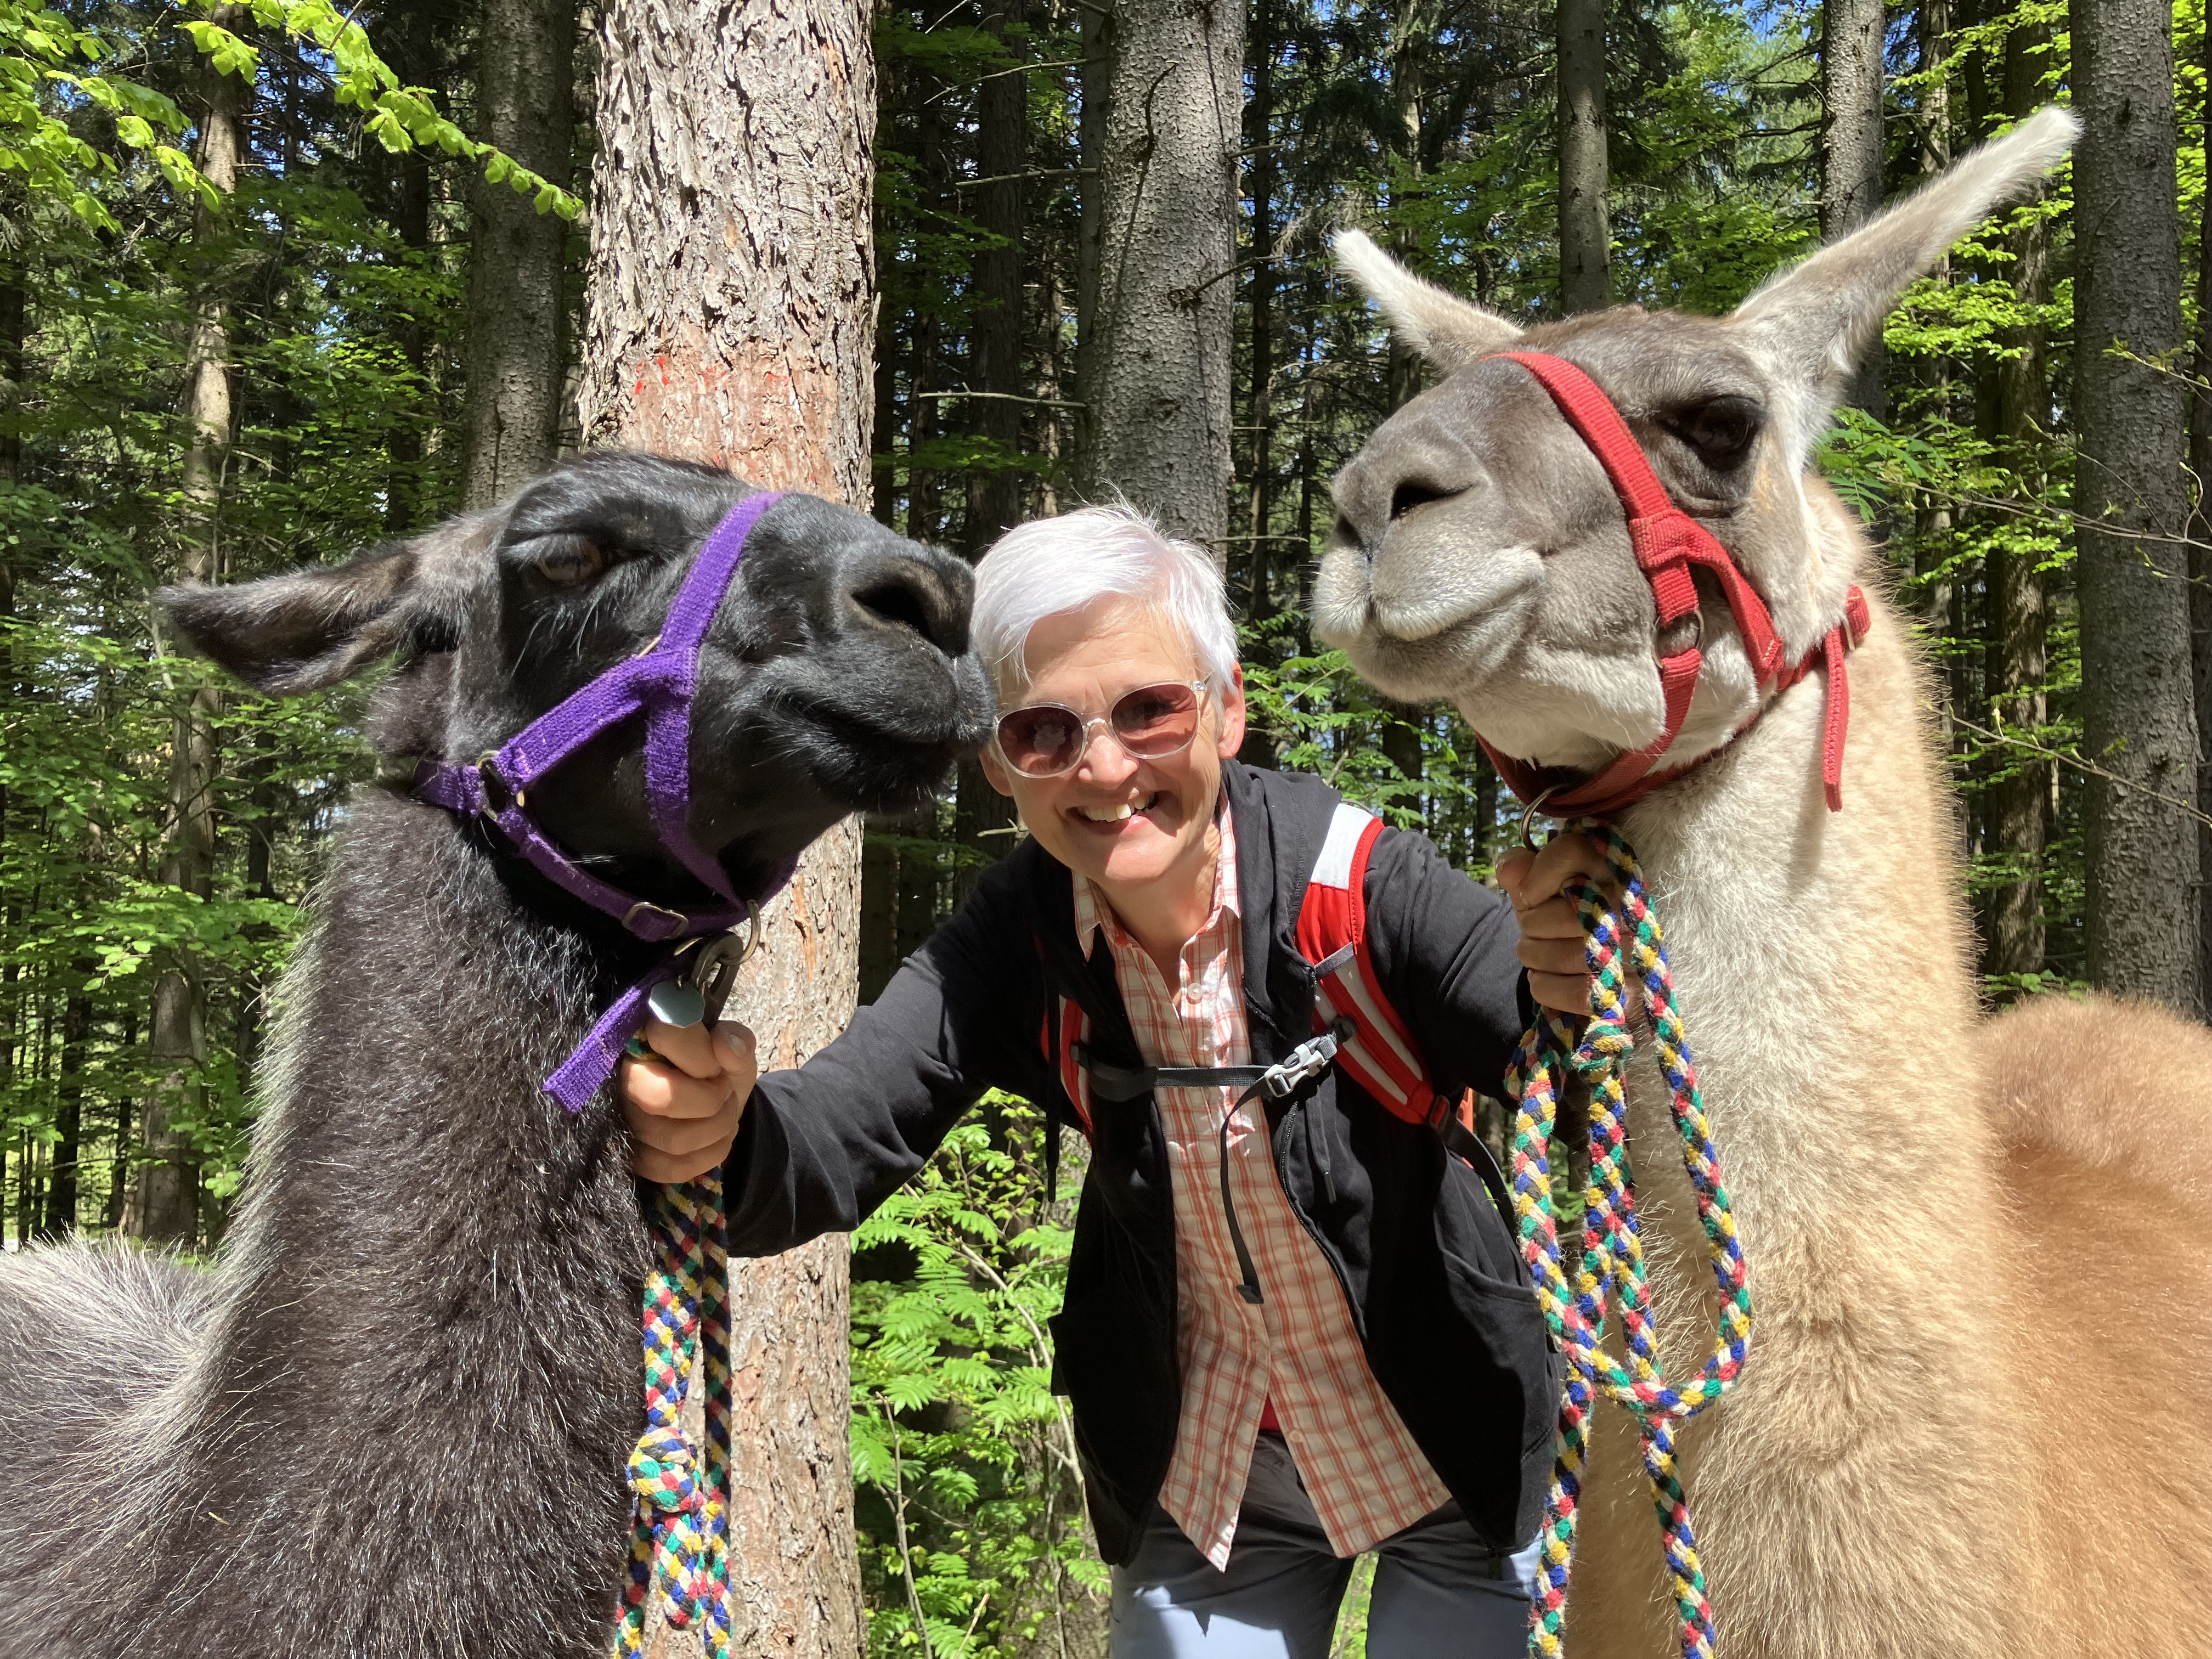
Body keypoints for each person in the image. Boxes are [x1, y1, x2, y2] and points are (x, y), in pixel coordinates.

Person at [622, 506, 1611, 1658]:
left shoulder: (1361, 889)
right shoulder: (1015, 943)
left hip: (1458, 1458)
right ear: (999, 766)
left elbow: (1566, 1065)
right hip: (1214, 1485)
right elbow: (826, 1147)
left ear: (1227, 709)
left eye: (1150, 710)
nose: (1103, 766)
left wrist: (1585, 982)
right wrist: (715, 1132)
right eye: (1044, 731)